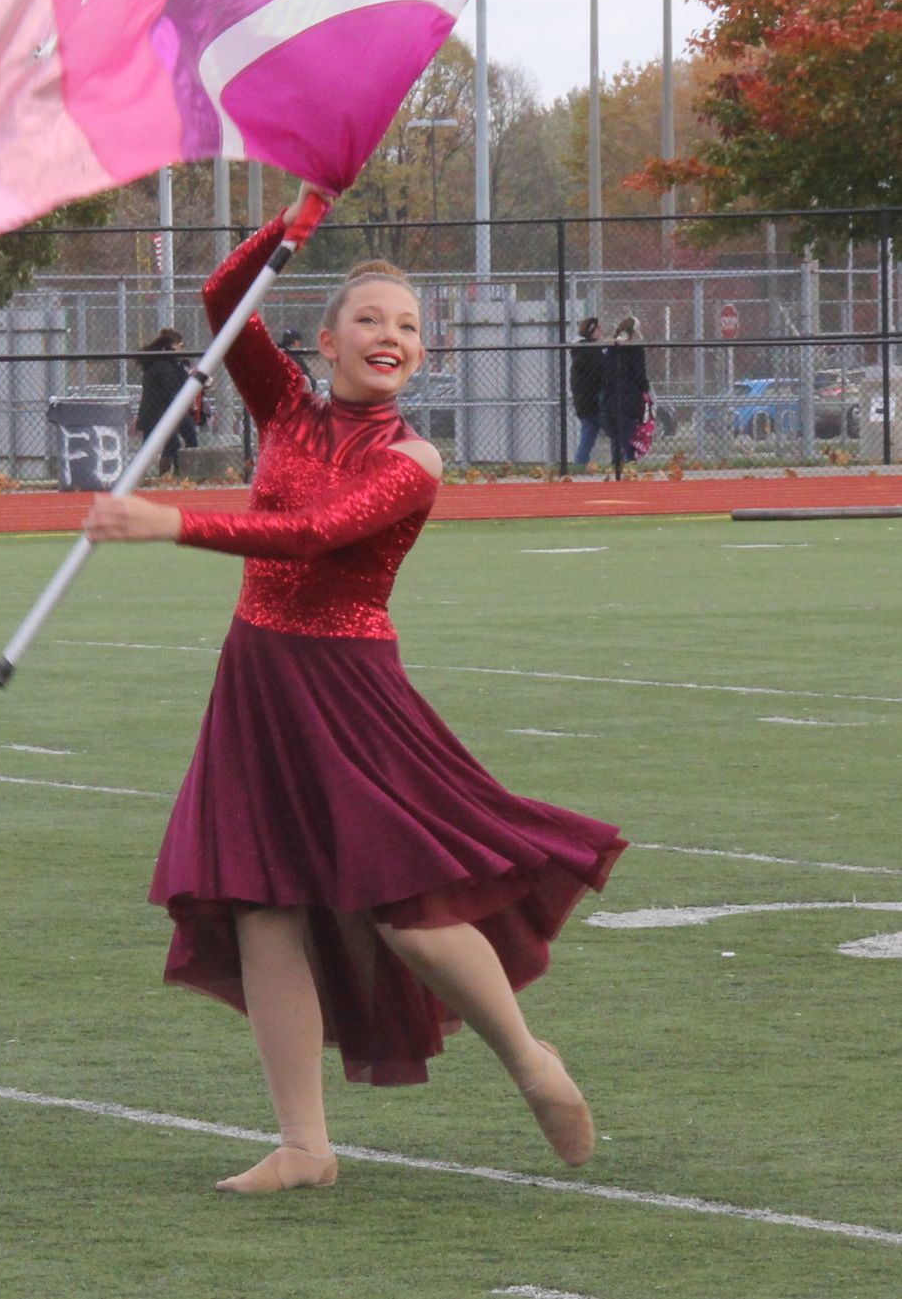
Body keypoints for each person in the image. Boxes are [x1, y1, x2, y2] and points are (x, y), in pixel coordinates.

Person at [85, 184, 627, 1196]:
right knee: (262, 901)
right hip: (257, 676)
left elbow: (314, 535)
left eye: (410, 326)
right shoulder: (284, 406)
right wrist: (297, 212)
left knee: (404, 903)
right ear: (324, 339)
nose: (392, 336)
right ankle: (305, 1144)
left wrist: (174, 524)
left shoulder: (412, 459)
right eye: (370, 320)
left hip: (348, 688)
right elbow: (222, 292)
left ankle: (530, 1060)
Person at [136, 328, 198, 477]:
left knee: (188, 435)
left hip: (167, 410)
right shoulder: (163, 366)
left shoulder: (169, 364)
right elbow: (173, 388)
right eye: (180, 346)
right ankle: (168, 475)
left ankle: (181, 472)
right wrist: (184, 375)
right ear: (171, 346)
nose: (182, 350)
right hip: (159, 412)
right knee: (170, 444)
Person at [599, 315, 652, 480]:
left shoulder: (610, 348)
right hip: (629, 397)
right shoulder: (635, 349)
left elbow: (603, 374)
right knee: (626, 434)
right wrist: (645, 389)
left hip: (610, 397)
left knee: (617, 436)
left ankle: (618, 466)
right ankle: (626, 465)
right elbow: (639, 374)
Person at [569, 317, 604, 467]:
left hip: (583, 402)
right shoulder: (590, 350)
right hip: (594, 401)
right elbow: (601, 371)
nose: (601, 332)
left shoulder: (581, 350)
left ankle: (579, 465)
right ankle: (622, 462)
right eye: (598, 329)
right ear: (591, 331)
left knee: (588, 434)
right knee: (618, 432)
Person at [277, 326, 316, 391]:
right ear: (295, 342)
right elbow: (310, 381)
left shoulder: (278, 353)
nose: (300, 345)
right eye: (299, 342)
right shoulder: (295, 358)